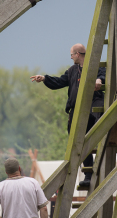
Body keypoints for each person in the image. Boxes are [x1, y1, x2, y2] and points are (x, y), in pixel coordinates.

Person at [30, 43, 105, 186]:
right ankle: (88, 175)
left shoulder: (95, 66)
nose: (71, 58)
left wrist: (99, 80)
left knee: (92, 129)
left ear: (77, 54)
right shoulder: (72, 71)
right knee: (78, 140)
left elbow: (104, 74)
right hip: (77, 111)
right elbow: (58, 82)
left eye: (71, 55)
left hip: (92, 107)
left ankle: (98, 161)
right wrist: (44, 78)